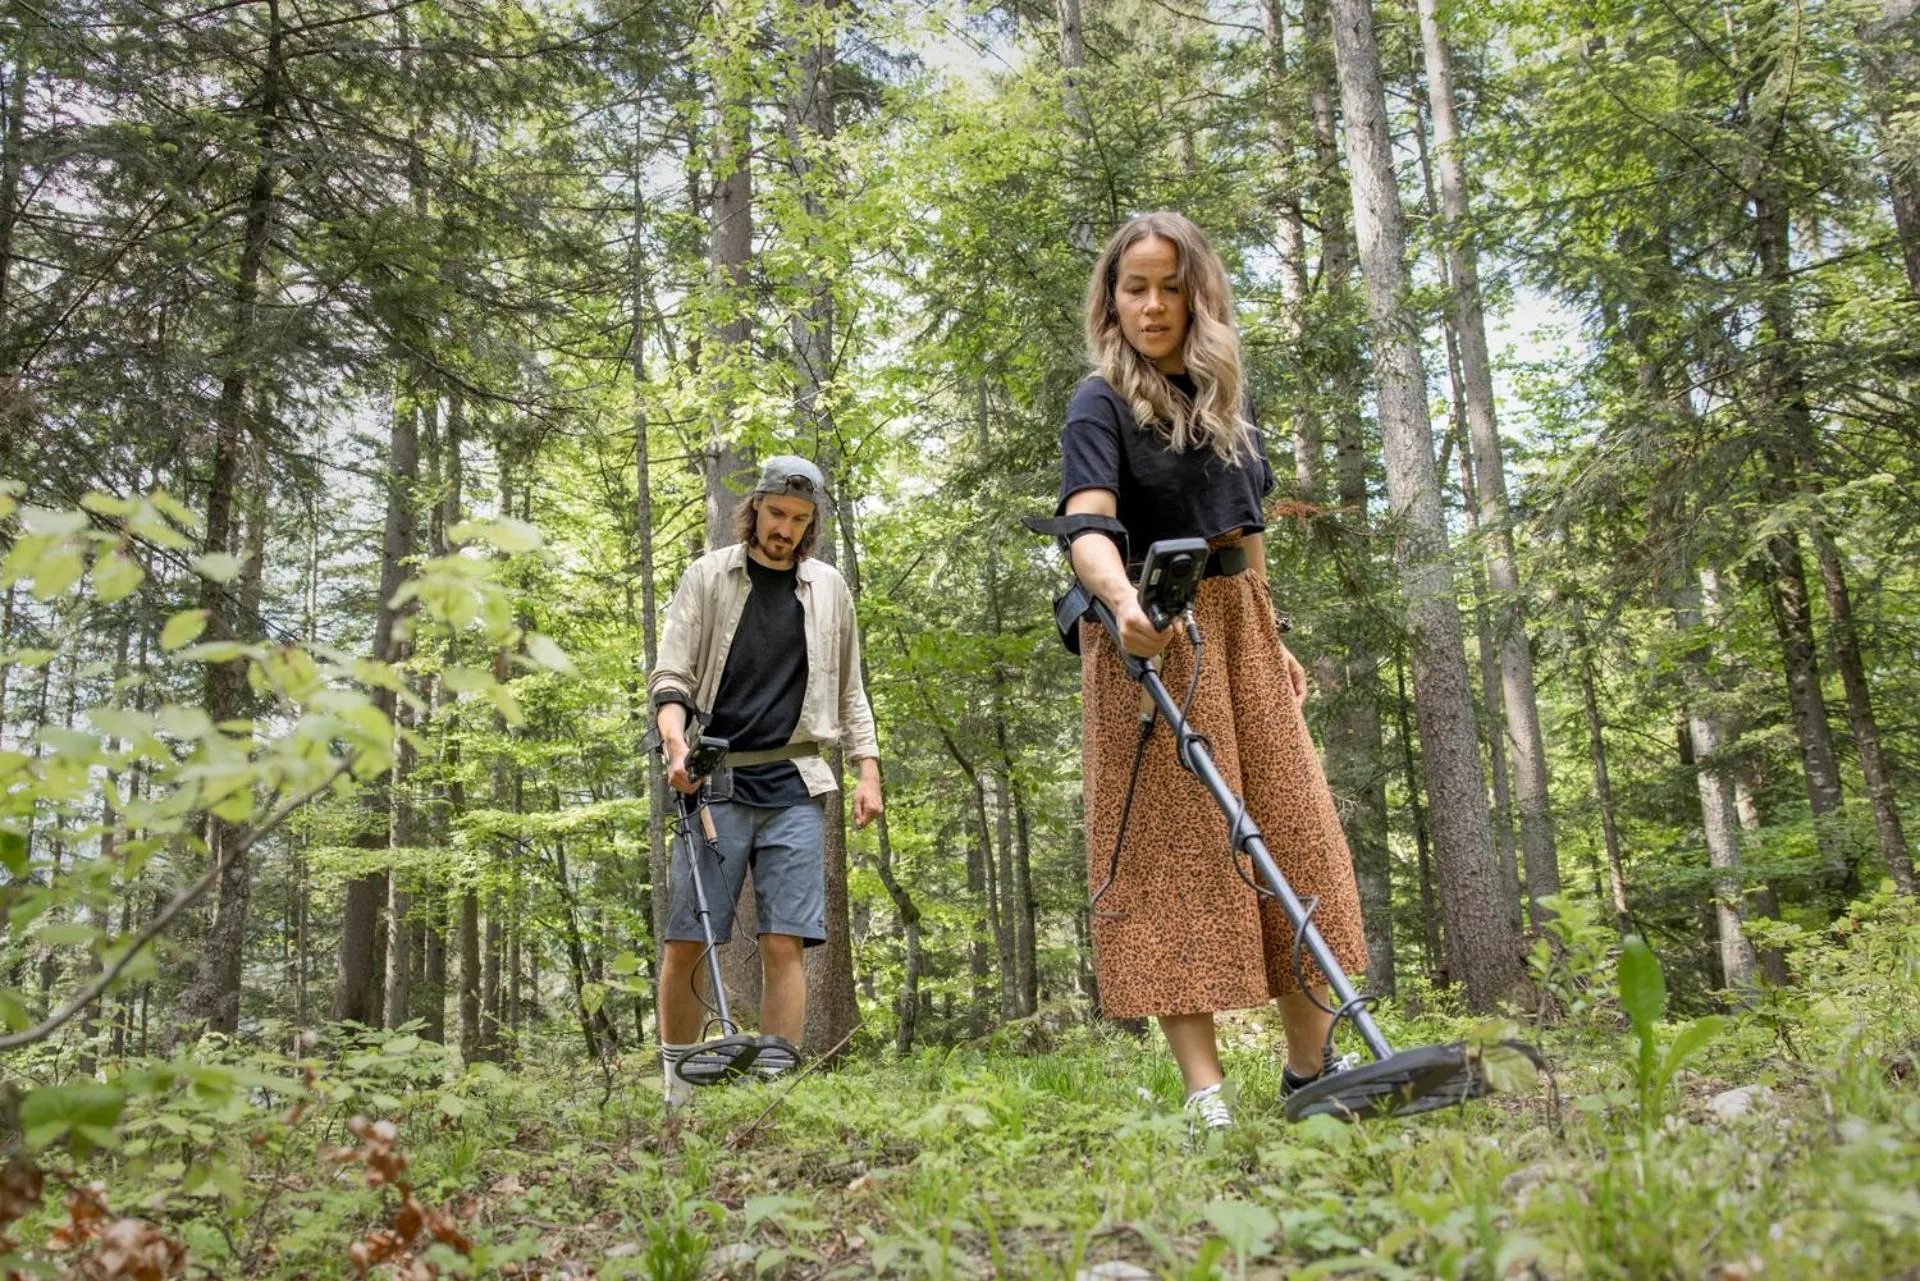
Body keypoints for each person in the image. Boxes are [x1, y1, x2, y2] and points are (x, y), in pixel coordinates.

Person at [1055, 211, 1369, 1141]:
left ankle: (1310, 1069)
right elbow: (1087, 524)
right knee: (1171, 866)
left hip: (1238, 638)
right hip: (1152, 633)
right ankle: (1205, 1096)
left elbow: (1248, 532)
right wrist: (1124, 609)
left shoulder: (1226, 401)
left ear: (1200, 292)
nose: (1153, 305)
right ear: (1112, 300)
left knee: (1297, 839)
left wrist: (1270, 633)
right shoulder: (1098, 402)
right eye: (1134, 287)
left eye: (1169, 285)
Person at [648, 455, 882, 1106]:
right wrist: (674, 743)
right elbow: (671, 679)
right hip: (716, 782)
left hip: (798, 783)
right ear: (754, 509)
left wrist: (868, 769)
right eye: (777, 513)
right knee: (690, 937)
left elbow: (851, 688)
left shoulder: (829, 587)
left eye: (800, 519)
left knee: (787, 938)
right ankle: (678, 1088)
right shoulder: (708, 577)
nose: (785, 528)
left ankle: (774, 1093)